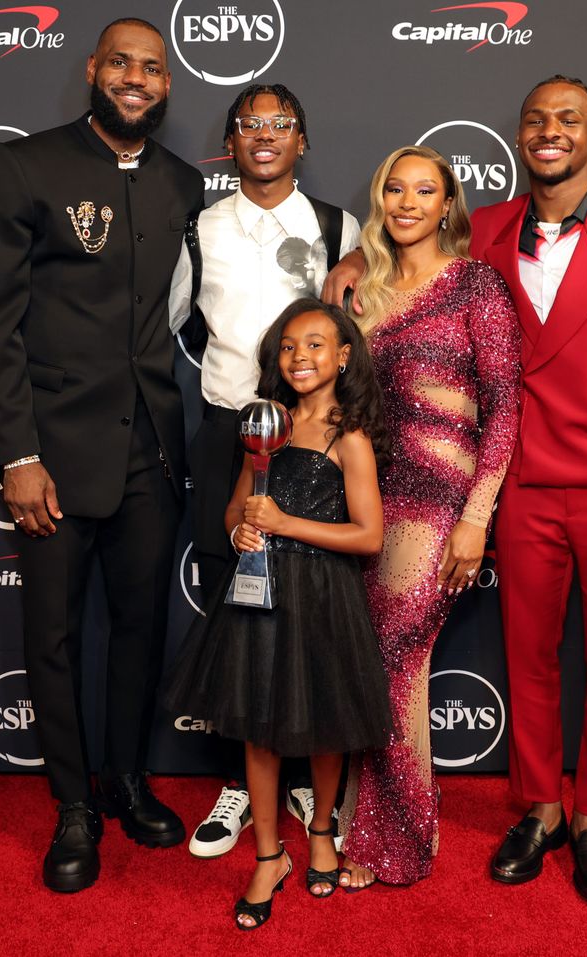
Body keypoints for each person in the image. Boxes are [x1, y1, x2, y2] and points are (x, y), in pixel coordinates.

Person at [325, 76, 587, 903]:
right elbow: (412, 248)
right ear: (520, 135)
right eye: (537, 120)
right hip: (522, 485)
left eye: (568, 119)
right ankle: (539, 808)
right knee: (529, 659)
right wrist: (358, 256)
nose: (550, 132)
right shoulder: (489, 227)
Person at [0, 18, 203, 893]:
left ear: (165, 85)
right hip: (53, 453)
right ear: (94, 71)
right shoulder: (24, 166)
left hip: (150, 447)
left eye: (153, 68)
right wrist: (16, 452)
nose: (137, 79)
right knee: (55, 636)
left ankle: (127, 780)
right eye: (123, 64)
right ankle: (72, 806)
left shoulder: (183, 182)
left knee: (140, 630)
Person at [166, 84, 361, 859]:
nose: (266, 135)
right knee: (235, 606)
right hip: (230, 434)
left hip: (313, 442)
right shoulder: (201, 227)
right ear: (231, 142)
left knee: (311, 607)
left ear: (302, 140)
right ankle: (246, 786)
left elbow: (361, 318)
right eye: (250, 125)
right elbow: (170, 326)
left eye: (281, 124)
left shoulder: (336, 226)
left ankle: (309, 784)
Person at [161, 299, 393, 929]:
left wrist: (288, 524)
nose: (301, 358)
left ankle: (321, 832)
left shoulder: (349, 435)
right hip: (259, 596)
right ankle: (268, 855)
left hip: (323, 596)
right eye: (289, 347)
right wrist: (240, 532)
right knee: (259, 728)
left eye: (316, 345)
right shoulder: (266, 425)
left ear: (344, 357)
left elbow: (369, 535)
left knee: (325, 723)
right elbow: (235, 511)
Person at [335, 146, 521, 889]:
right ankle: (374, 820)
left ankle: (398, 838)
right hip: (370, 500)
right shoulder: (363, 291)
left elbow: (505, 405)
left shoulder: (476, 282)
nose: (407, 203)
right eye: (394, 190)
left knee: (395, 658)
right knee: (374, 660)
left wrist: (478, 515)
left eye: (425, 191)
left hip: (442, 503)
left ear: (448, 205)